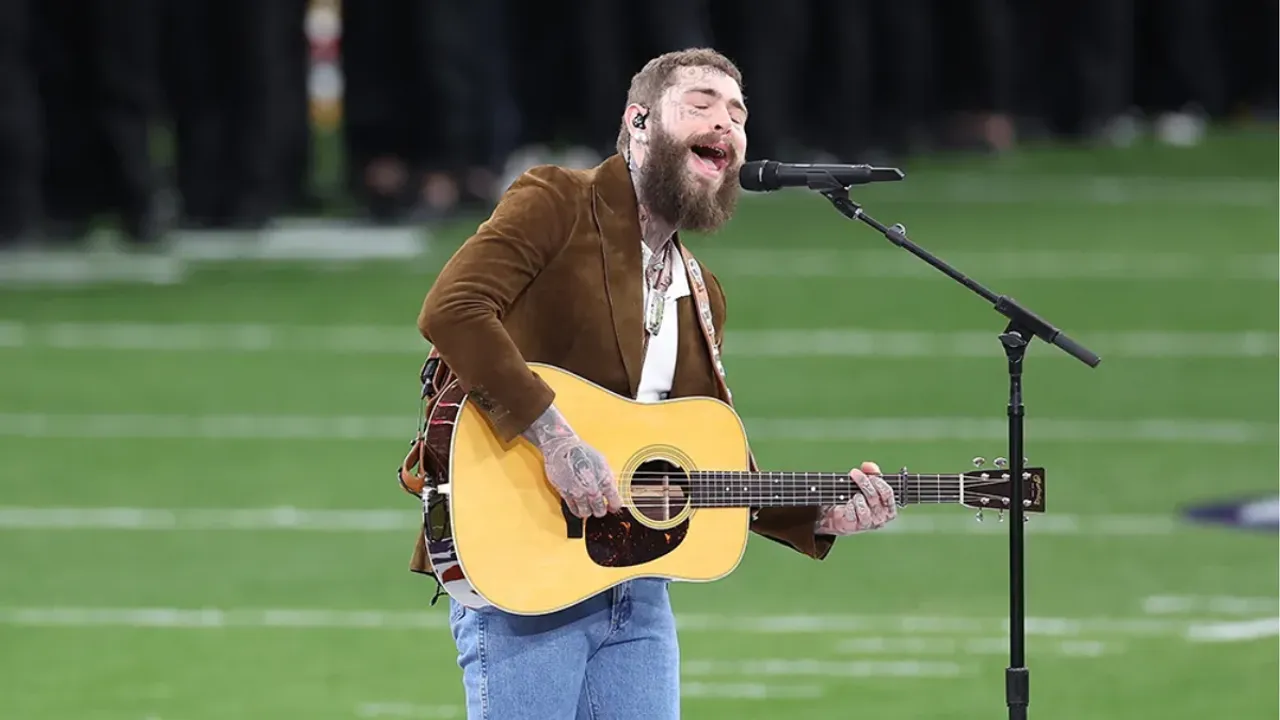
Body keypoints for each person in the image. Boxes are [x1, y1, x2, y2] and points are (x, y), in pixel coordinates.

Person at [413, 47, 899, 720]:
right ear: (638, 123)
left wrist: (815, 513)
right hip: (524, 574)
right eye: (701, 104)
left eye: (738, 113)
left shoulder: (701, 292)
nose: (725, 123)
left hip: (637, 588)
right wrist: (556, 440)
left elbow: (697, 458)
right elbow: (451, 311)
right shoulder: (555, 200)